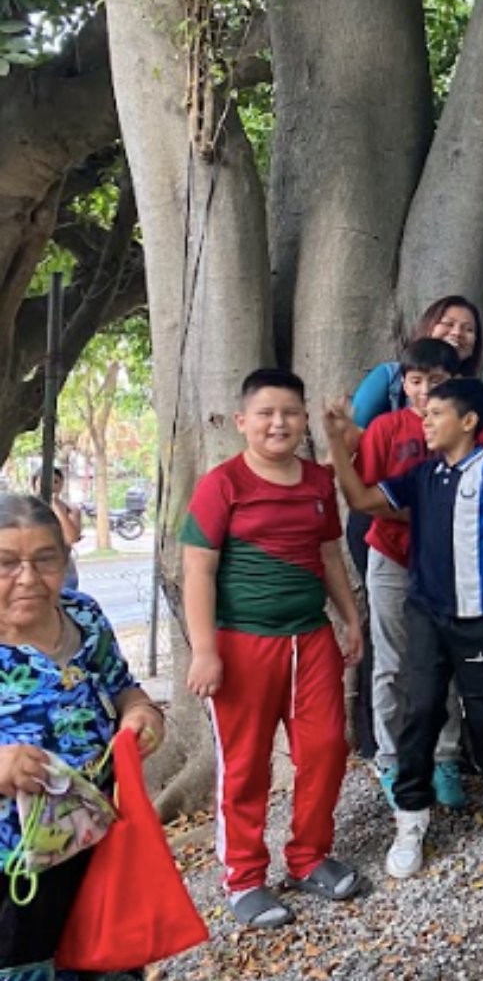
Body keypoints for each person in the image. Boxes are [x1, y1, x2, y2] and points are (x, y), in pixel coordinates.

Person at [325, 378, 483, 880]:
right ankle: (410, 819)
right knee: (420, 710)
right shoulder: (420, 475)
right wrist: (338, 443)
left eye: (437, 412)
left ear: (469, 422)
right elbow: (360, 501)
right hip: (426, 612)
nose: (425, 418)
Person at [183, 368, 365, 927]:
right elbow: (197, 570)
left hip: (310, 639)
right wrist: (204, 650)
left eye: (289, 412)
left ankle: (309, 858)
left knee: (328, 748)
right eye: (265, 413)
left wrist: (351, 618)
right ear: (242, 422)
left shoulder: (316, 483)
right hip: (242, 646)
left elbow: (331, 555)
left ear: (304, 419)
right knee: (245, 767)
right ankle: (244, 878)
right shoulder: (223, 484)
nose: (278, 423)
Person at [0, 494, 160, 981]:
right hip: (14, 873)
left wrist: (141, 714)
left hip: (98, 846)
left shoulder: (85, 615)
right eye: (6, 562)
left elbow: (123, 687)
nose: (28, 577)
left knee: (108, 980)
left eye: (45, 559)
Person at [348, 337, 482, 807]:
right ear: (404, 383)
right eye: (416, 381)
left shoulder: (471, 427)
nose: (425, 392)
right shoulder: (385, 429)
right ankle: (391, 760)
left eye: (437, 382)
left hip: (448, 558)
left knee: (439, 661)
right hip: (390, 555)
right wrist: (423, 511)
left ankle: (444, 758)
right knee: (391, 664)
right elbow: (367, 496)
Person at [348, 295, 483, 429]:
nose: (457, 333)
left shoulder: (479, 393)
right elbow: (353, 431)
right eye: (448, 324)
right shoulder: (390, 377)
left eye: (468, 329)